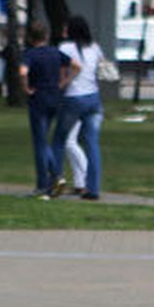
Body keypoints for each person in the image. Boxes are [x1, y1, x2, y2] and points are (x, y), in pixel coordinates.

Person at [52, 15, 106, 200]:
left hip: (73, 98)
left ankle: (56, 182)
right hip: (93, 97)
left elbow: (63, 71)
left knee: (59, 140)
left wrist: (60, 85)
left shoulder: (66, 48)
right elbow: (100, 66)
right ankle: (93, 188)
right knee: (91, 143)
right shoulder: (95, 47)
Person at [18, 22, 72, 199]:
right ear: (46, 36)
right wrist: (63, 82)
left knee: (40, 142)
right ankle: (53, 180)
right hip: (55, 98)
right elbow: (76, 66)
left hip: (38, 98)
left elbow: (22, 71)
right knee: (44, 140)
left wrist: (26, 88)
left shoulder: (30, 54)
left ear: (30, 37)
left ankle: (48, 181)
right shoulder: (56, 52)